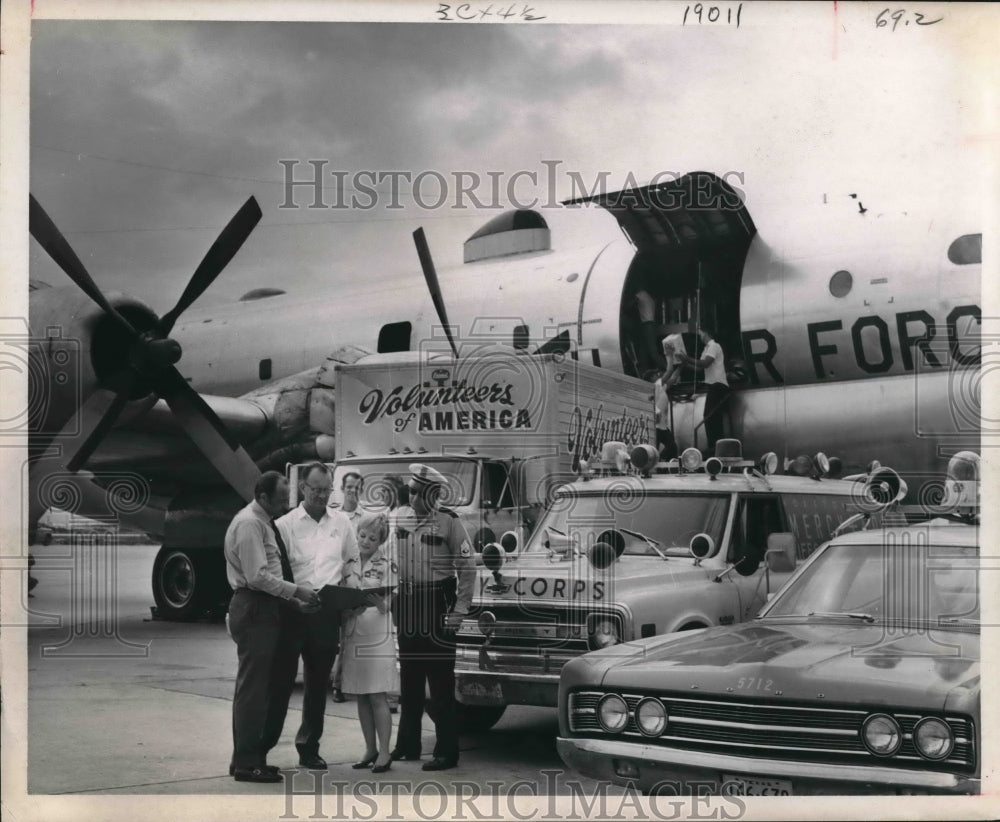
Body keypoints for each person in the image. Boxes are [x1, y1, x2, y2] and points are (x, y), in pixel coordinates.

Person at [263, 462, 360, 770]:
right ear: (302, 488)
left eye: (326, 490)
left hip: (326, 612)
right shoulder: (285, 525)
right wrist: (293, 600)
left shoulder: (342, 523)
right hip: (292, 612)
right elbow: (275, 572)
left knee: (318, 685)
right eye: (316, 489)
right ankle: (261, 749)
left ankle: (309, 748)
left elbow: (352, 560)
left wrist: (352, 591)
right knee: (280, 683)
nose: (321, 496)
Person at [224, 471, 320, 783]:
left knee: (261, 688)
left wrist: (292, 603)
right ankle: (247, 763)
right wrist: (297, 592)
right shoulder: (251, 523)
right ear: (263, 497)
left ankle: (248, 758)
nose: (283, 506)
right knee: (254, 690)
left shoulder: (261, 520)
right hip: (255, 608)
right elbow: (257, 576)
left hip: (264, 606)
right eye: (279, 500)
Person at [389, 463, 476, 771]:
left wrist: (459, 611)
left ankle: (446, 751)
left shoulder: (450, 523)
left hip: (438, 603)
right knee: (409, 681)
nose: (411, 498)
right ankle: (408, 744)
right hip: (408, 602)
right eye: (410, 491)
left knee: (440, 684)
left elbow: (467, 568)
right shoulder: (398, 518)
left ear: (434, 495)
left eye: (418, 493)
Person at [341, 512, 399, 773]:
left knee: (377, 694)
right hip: (354, 629)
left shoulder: (387, 563)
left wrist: (379, 602)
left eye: (372, 538)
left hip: (376, 634)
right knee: (361, 695)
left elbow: (389, 604)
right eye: (362, 535)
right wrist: (347, 608)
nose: (365, 541)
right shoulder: (348, 562)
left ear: (380, 541)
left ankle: (385, 752)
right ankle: (369, 748)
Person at [329, 471, 365, 703]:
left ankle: (340, 685)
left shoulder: (366, 517)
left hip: (355, 582)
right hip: (334, 580)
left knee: (351, 634)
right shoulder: (333, 517)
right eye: (349, 487)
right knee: (334, 636)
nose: (353, 491)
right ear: (342, 489)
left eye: (357, 487)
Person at [677, 326, 730, 453]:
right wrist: (685, 364)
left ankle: (715, 445)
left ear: (706, 333)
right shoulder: (706, 348)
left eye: (700, 332)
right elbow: (700, 369)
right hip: (713, 386)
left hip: (718, 385)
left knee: (709, 415)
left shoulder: (713, 346)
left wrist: (687, 358)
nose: (699, 335)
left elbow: (705, 363)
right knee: (712, 416)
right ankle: (715, 445)